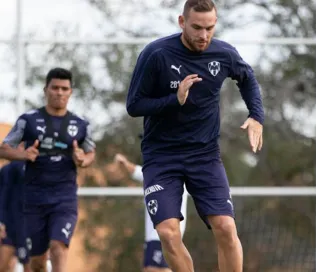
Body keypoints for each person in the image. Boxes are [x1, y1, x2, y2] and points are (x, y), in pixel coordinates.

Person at [126, 0, 264, 271]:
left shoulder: (224, 53)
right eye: (197, 27)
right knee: (167, 232)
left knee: (225, 227)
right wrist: (173, 100)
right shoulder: (156, 54)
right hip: (161, 157)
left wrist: (256, 115)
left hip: (204, 156)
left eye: (210, 27)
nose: (204, 35)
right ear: (182, 22)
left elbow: (247, 78)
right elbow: (134, 105)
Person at [0, 68, 96, 272]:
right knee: (37, 263)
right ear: (46, 90)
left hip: (64, 199)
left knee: (58, 247)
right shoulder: (28, 121)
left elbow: (90, 153)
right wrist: (23, 155)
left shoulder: (79, 125)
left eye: (64, 88)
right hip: (34, 200)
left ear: (70, 92)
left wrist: (83, 160)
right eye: (55, 88)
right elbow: (4, 148)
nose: (59, 92)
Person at [114, 153, 188, 272]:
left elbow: (137, 171)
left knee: (156, 269)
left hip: (162, 233)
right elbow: (138, 172)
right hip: (157, 234)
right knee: (153, 268)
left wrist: (125, 163)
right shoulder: (158, 173)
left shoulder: (168, 172)